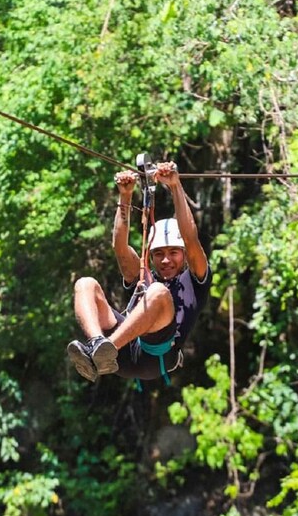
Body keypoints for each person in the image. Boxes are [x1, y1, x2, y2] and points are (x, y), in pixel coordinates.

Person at [67, 161, 212, 383]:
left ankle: (104, 352)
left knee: (157, 293)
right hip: (122, 357)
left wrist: (175, 186)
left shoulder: (194, 282)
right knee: (85, 284)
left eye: (173, 252)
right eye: (158, 254)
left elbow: (191, 239)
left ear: (183, 255)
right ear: (151, 257)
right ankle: (98, 344)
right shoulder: (144, 276)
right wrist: (125, 196)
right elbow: (120, 247)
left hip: (157, 356)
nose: (165, 260)